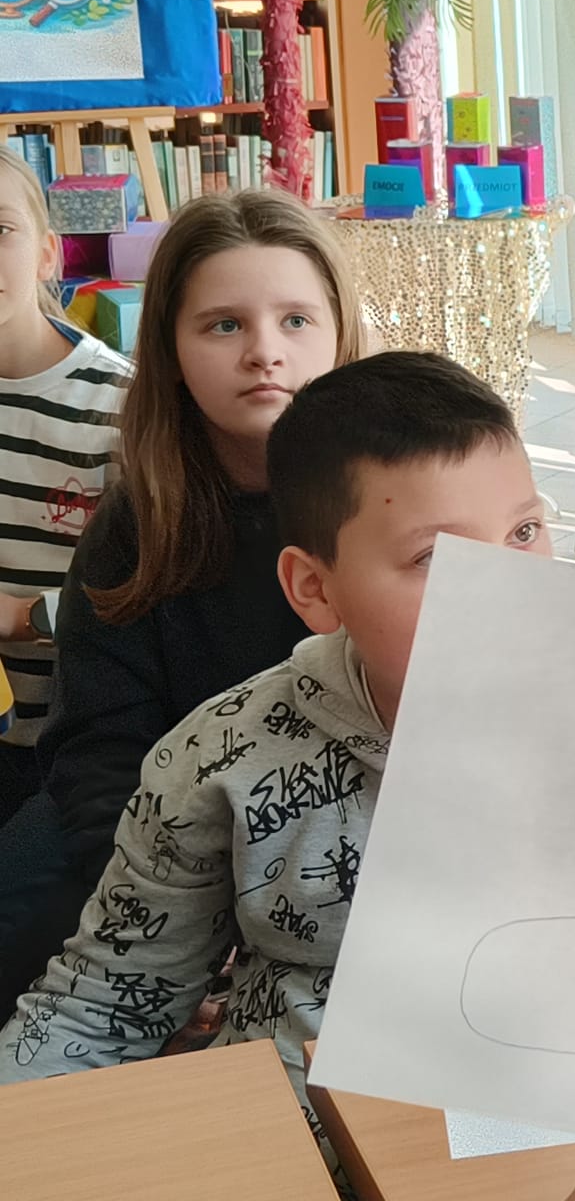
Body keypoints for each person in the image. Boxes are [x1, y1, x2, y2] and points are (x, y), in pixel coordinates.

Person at [0, 352, 550, 1156]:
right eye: (435, 558)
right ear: (315, 590)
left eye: (524, 532)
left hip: (545, 1130)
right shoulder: (220, 758)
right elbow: (104, 1000)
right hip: (298, 1141)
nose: (507, 586)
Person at [0, 190, 364, 1002]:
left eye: (296, 321)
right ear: (169, 349)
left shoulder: (394, 503)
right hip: (149, 833)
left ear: (341, 333)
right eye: (224, 325)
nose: (264, 352)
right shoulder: (137, 523)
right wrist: (168, 921)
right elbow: (98, 750)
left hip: (344, 834)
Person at [0, 151, 130, 822]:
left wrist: (21, 617)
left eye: (0, 230)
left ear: (47, 255)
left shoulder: (119, 405)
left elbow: (150, 594)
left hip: (72, 752)